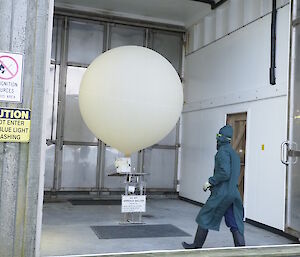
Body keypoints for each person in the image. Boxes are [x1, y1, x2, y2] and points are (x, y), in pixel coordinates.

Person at [182, 125, 245, 249]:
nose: (216, 139)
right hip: (233, 193)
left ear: (221, 138)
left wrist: (210, 181)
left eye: (218, 136)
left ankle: (196, 245)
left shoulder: (222, 152)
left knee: (205, 216)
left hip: (222, 193)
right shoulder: (234, 154)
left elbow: (224, 173)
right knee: (234, 222)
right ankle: (242, 248)